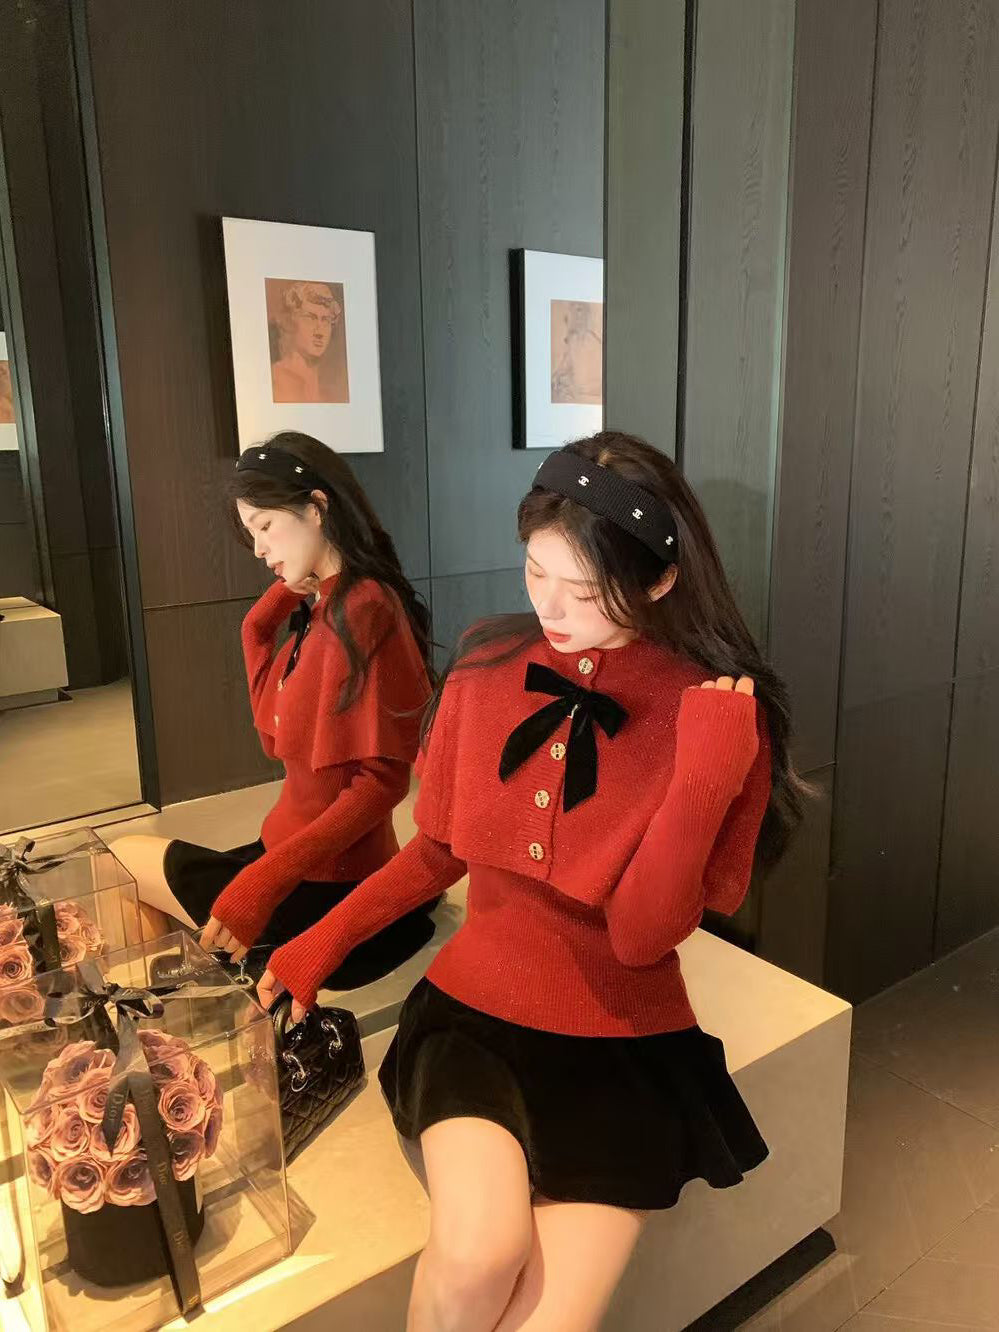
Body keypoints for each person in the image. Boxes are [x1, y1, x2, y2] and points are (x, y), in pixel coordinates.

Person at [221, 431, 809, 1330]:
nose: (552, 608)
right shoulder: (489, 664)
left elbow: (640, 938)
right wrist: (314, 945)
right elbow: (436, 852)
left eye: (586, 589)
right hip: (473, 1019)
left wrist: (701, 783)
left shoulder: (718, 715)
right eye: (536, 572)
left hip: (623, 1039)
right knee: (476, 1256)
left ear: (659, 580)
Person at [111, 431, 438, 991]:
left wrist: (264, 882)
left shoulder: (364, 609)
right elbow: (276, 736)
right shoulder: (326, 605)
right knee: (145, 903)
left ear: (316, 507)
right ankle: (170, 1019)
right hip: (290, 857)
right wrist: (272, 609)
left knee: (123, 862)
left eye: (264, 526)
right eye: (251, 533)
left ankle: (166, 1023)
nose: (259, 548)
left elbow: (383, 784)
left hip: (322, 881)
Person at [270, 281, 346, 404]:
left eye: (326, 320)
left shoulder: (328, 392)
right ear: (290, 322)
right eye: (310, 318)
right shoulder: (275, 379)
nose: (319, 332)